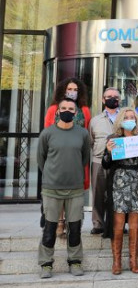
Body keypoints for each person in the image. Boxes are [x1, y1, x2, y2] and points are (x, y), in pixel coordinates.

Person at [37, 98, 91, 278]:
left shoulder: (82, 134)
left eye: (71, 109)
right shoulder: (47, 133)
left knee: (75, 227)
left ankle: (75, 262)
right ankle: (46, 263)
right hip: (51, 188)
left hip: (75, 189)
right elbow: (41, 159)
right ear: (58, 111)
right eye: (64, 108)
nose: (67, 111)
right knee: (50, 227)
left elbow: (84, 159)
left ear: (76, 113)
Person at [101, 108, 138, 274]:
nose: (130, 119)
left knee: (135, 224)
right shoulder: (114, 139)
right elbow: (105, 164)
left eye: (132, 117)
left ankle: (133, 261)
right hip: (119, 183)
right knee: (117, 224)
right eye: (126, 117)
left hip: (137, 182)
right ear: (120, 121)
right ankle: (116, 262)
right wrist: (108, 152)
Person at [42, 78, 92, 238]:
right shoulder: (53, 109)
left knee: (74, 193)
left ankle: (73, 224)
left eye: (76, 89)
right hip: (57, 157)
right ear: (63, 91)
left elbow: (87, 134)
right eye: (70, 89)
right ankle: (59, 222)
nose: (72, 92)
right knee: (57, 190)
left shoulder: (84, 110)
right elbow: (47, 135)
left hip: (77, 157)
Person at [89, 87, 121, 236]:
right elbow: (91, 140)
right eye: (108, 96)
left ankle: (117, 223)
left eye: (115, 96)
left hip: (120, 162)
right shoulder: (95, 120)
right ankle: (98, 223)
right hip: (99, 160)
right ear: (103, 100)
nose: (112, 98)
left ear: (119, 100)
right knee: (98, 193)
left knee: (117, 194)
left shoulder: (125, 118)